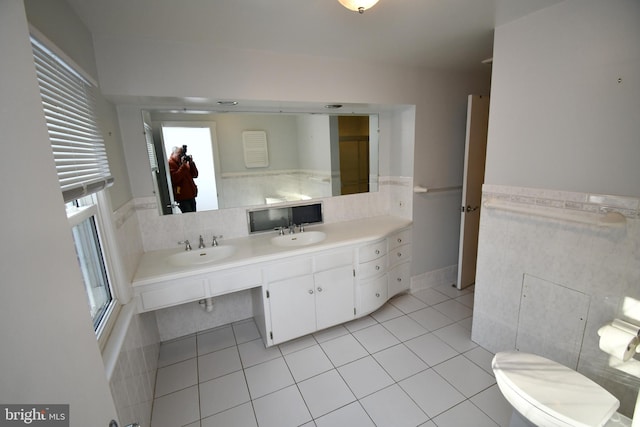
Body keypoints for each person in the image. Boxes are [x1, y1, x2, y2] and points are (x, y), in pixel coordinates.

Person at [168, 145, 199, 213]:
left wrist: (191, 163)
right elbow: (175, 179)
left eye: (182, 154)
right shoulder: (170, 164)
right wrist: (183, 165)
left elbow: (195, 175)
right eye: (179, 154)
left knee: (194, 216)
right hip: (182, 197)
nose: (181, 156)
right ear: (173, 153)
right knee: (189, 218)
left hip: (191, 195)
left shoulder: (182, 163)